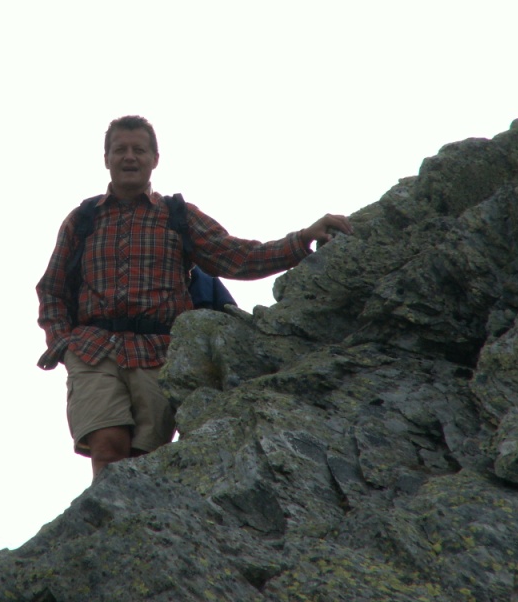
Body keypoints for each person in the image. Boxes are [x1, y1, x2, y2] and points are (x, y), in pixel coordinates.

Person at [36, 115, 352, 479]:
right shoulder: (82, 219)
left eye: (139, 149)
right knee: (107, 448)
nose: (129, 157)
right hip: (93, 349)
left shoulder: (178, 216)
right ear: (105, 158)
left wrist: (303, 239)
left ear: (155, 158)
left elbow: (237, 256)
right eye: (120, 149)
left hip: (159, 352)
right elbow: (52, 289)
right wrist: (63, 344)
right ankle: (103, 513)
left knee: (145, 461)